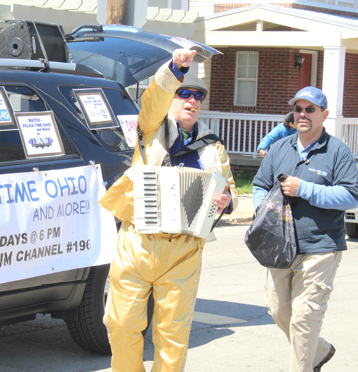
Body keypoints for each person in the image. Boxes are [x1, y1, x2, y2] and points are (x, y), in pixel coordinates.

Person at [99, 49, 238, 372]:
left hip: (184, 250)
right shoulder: (151, 131)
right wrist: (177, 69)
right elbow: (152, 101)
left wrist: (226, 201)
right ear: (172, 99)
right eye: (184, 94)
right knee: (120, 325)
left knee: (173, 336)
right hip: (138, 243)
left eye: (197, 97)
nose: (192, 101)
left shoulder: (213, 147)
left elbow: (228, 190)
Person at [252, 86, 358, 372]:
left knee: (304, 318)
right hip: (279, 246)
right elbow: (261, 185)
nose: (302, 114)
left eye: (310, 109)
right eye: (298, 109)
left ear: (323, 114)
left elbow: (351, 195)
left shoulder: (338, 151)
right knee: (278, 309)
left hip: (320, 246)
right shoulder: (279, 148)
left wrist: (306, 189)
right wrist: (263, 209)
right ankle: (320, 350)